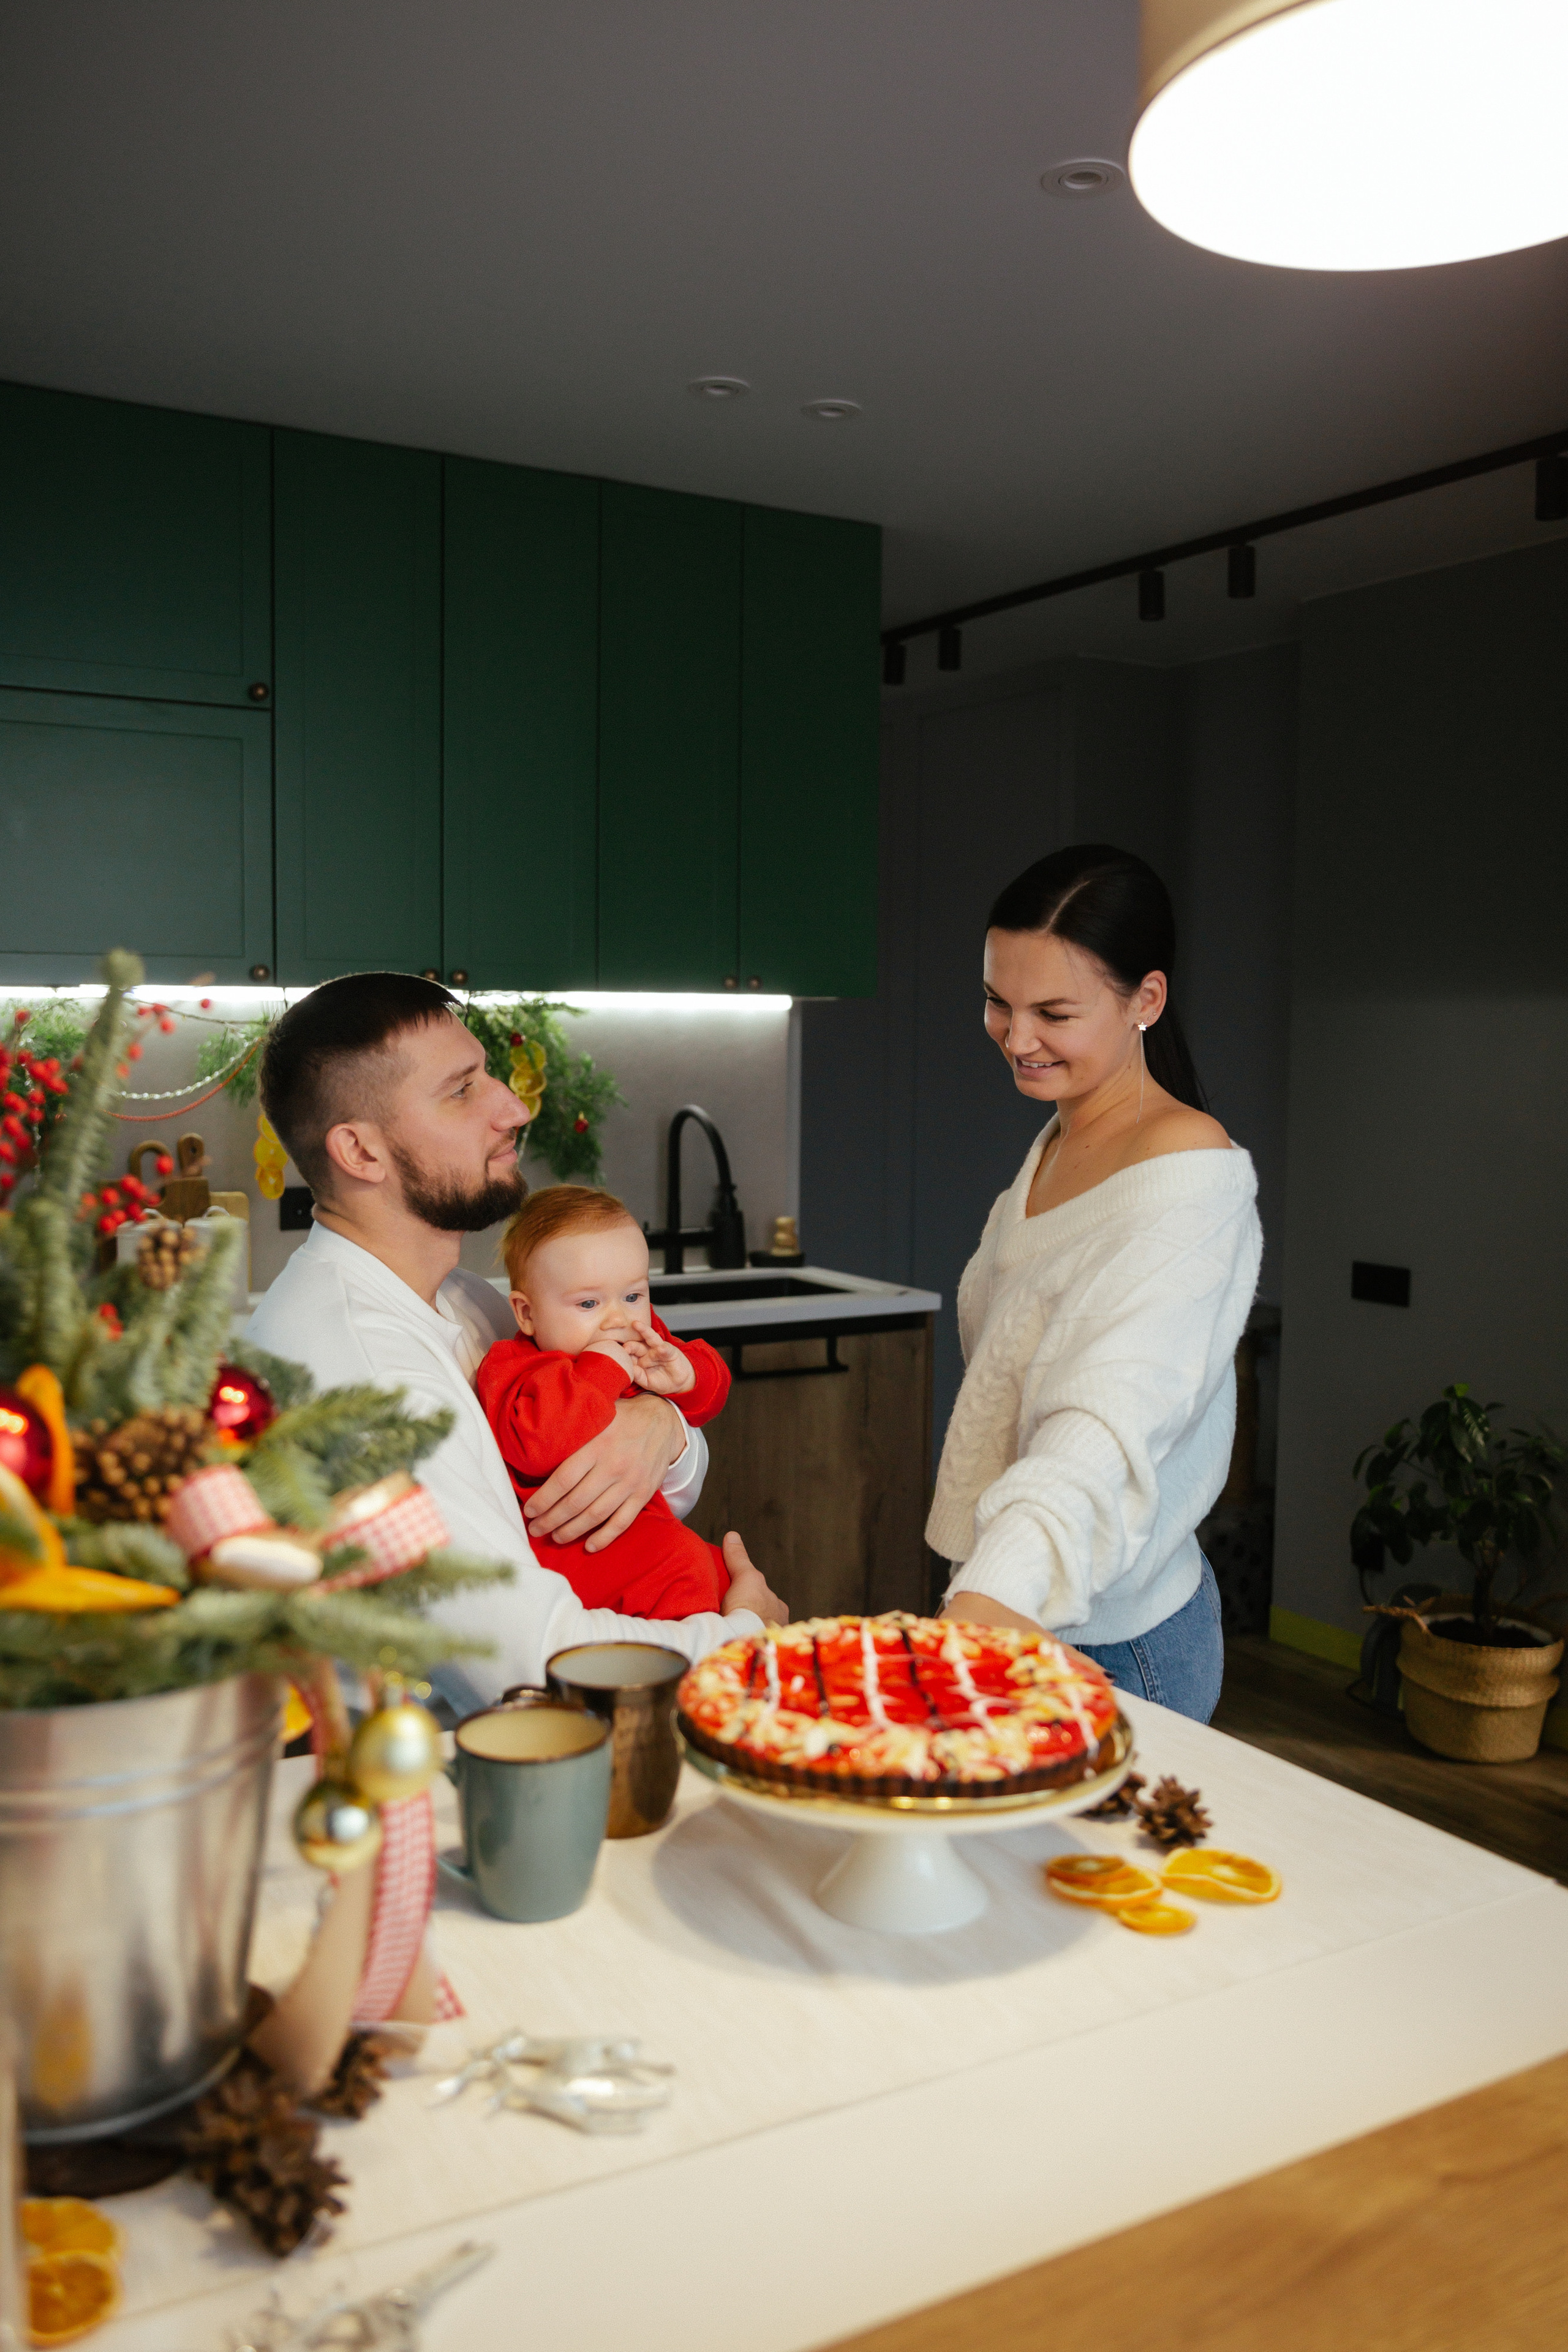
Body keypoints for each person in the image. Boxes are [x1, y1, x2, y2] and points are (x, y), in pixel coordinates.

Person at [244, 973, 785, 1708]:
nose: (514, 1107)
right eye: (462, 1091)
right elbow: (526, 1664)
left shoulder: (465, 1304)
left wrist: (658, 1426)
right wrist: (746, 1639)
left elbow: (637, 1497)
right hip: (422, 1780)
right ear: (361, 1153)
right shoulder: (363, 1371)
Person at [930, 845, 1261, 1722]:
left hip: (1116, 1646)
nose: (1016, 1036)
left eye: (1054, 1012)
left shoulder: (1190, 1178)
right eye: (998, 1002)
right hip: (1024, 1607)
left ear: (1145, 1000)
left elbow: (1102, 1422)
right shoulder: (1061, 1140)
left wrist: (983, 1608)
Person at [477, 1185, 733, 1619]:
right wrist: (602, 1367)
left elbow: (711, 1392)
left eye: (634, 1296)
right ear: (527, 1314)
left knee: (720, 1572)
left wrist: (686, 1375)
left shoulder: (636, 1338)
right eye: (589, 1303)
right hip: (569, 1548)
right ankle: (696, 1674)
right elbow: (535, 1445)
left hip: (636, 1530)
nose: (620, 1317)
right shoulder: (515, 1365)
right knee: (684, 1566)